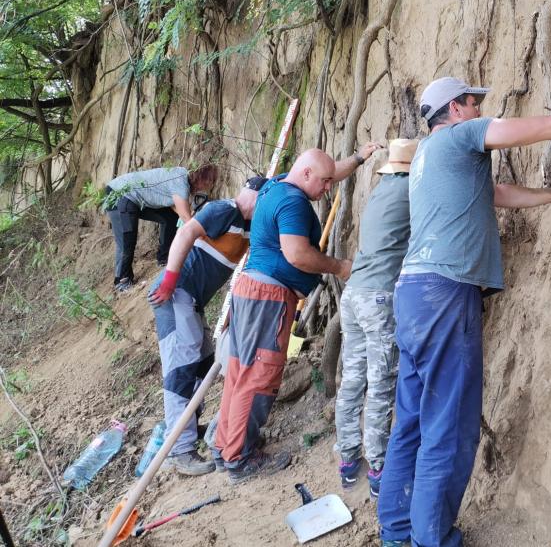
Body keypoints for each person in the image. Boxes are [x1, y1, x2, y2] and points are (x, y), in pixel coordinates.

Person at [377, 77, 551, 547]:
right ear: (457, 110)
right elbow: (544, 125)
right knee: (449, 421)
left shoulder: (427, 157)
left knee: (411, 419)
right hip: (445, 294)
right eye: (473, 101)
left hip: (412, 294)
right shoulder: (461, 135)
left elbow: (497, 194)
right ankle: (431, 539)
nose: (479, 107)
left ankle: (396, 531)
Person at [214, 144, 380, 484]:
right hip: (270, 296)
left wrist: (359, 159)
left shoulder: (276, 185)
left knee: (241, 368)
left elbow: (324, 170)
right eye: (324, 183)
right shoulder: (293, 202)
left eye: (330, 183)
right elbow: (298, 255)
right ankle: (240, 459)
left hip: (251, 291)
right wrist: (340, 266)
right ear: (305, 175)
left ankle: (225, 447)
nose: (327, 190)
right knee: (260, 373)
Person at [146, 176, 268, 476]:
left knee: (202, 364)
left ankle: (186, 426)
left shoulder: (246, 227)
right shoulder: (224, 209)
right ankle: (180, 450)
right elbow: (185, 234)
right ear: (250, 194)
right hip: (176, 293)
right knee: (181, 366)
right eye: (259, 199)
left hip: (192, 299)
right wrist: (171, 280)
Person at [335, 138, 418, 499]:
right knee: (381, 381)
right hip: (378, 298)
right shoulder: (411, 190)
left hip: (354, 294)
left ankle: (349, 459)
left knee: (352, 378)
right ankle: (380, 468)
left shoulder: (382, 191)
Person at [104, 164, 219, 292]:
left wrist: (189, 215)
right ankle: (122, 280)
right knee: (127, 238)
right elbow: (187, 219)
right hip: (119, 193)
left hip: (137, 198)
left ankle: (164, 258)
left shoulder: (180, 176)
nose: (209, 187)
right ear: (201, 179)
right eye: (209, 182)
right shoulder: (180, 183)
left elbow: (177, 209)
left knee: (169, 218)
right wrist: (209, 237)